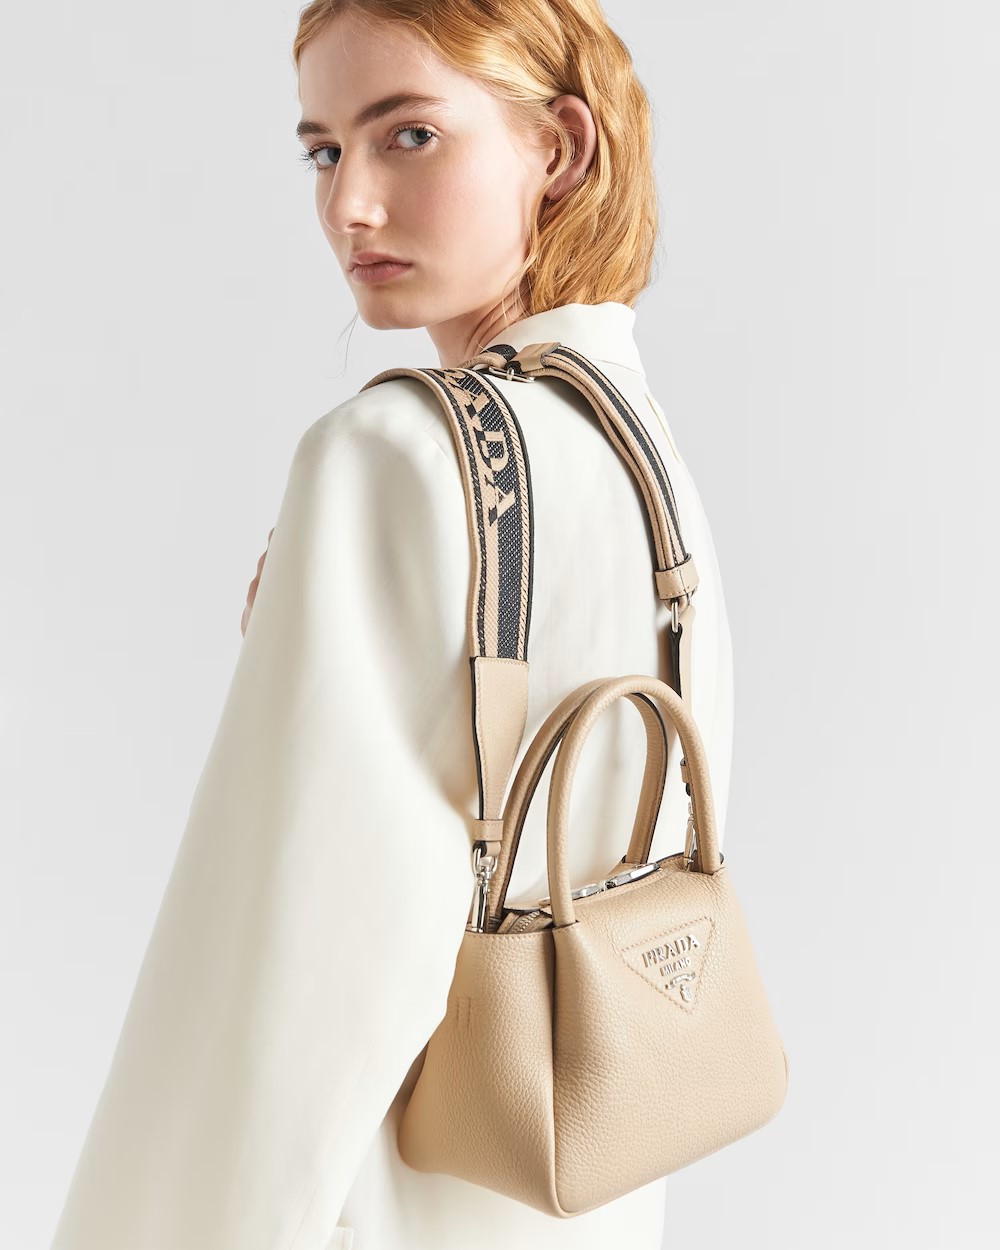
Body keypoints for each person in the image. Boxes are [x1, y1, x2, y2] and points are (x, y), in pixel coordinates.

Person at [48, 2, 734, 1248]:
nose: (348, 205)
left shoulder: (392, 455)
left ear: (559, 148)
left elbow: (293, 975)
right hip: (581, 1194)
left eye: (407, 134)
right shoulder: (645, 452)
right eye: (323, 150)